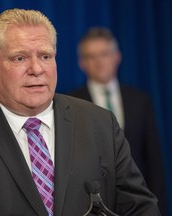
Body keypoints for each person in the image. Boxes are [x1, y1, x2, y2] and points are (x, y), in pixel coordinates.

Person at [0, 9, 160, 215]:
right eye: (19, 58)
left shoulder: (99, 123)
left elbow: (140, 208)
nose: (37, 69)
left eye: (46, 56)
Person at [67, 27, 167, 215]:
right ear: (82, 63)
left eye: (104, 54)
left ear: (117, 56)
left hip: (136, 203)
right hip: (90, 205)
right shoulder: (71, 104)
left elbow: (153, 159)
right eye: (91, 56)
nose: (99, 62)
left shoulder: (140, 100)